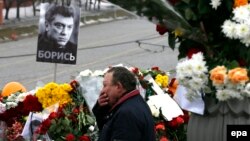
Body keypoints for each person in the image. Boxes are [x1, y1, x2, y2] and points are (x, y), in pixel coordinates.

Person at [92, 66, 156, 141]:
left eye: (105, 85)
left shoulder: (126, 114)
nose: (102, 91)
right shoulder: (136, 101)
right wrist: (101, 110)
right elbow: (106, 131)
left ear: (118, 86)